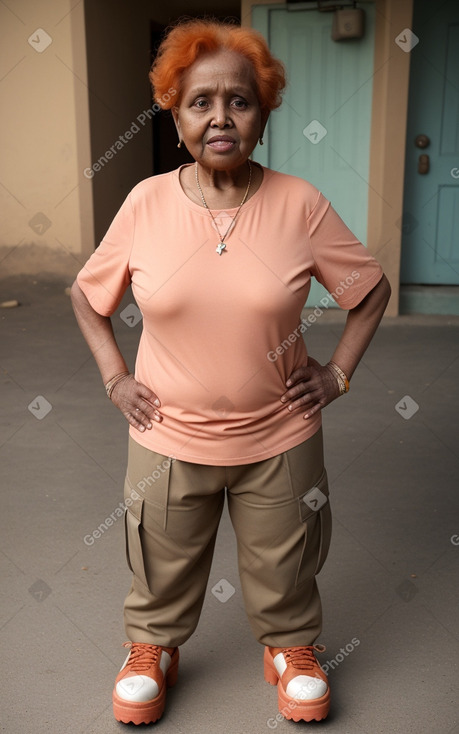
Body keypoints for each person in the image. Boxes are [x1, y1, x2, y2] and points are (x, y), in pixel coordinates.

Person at [71, 18, 391, 726]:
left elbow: (369, 291)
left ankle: (291, 648)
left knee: (287, 564)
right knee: (160, 563)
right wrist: (114, 379)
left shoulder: (299, 203)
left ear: (263, 109)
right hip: (167, 437)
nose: (220, 117)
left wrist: (336, 374)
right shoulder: (145, 204)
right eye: (200, 102)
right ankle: (152, 646)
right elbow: (86, 297)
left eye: (239, 101)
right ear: (175, 113)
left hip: (279, 436)